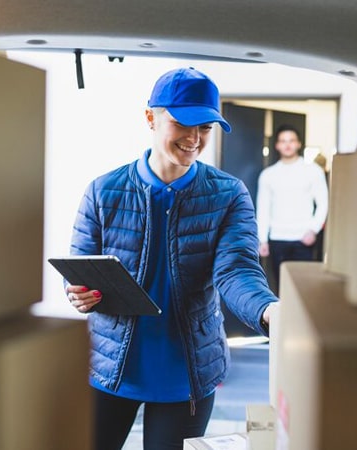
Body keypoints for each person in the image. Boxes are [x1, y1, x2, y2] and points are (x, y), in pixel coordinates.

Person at [64, 67, 278, 450]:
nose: (195, 139)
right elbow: (79, 265)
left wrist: (268, 310)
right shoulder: (103, 191)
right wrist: (77, 292)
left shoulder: (228, 195)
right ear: (151, 118)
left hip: (186, 375)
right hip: (110, 369)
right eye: (183, 124)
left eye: (207, 128)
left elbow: (236, 270)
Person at [256, 124, 329, 293]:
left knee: (304, 288)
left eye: (291, 140)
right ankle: (284, 320)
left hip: (303, 238)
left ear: (298, 144)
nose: (287, 144)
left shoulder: (313, 171)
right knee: (281, 288)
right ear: (277, 145)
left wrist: (313, 230)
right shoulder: (268, 174)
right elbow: (263, 207)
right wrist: (263, 239)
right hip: (277, 239)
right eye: (283, 141)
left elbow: (323, 203)